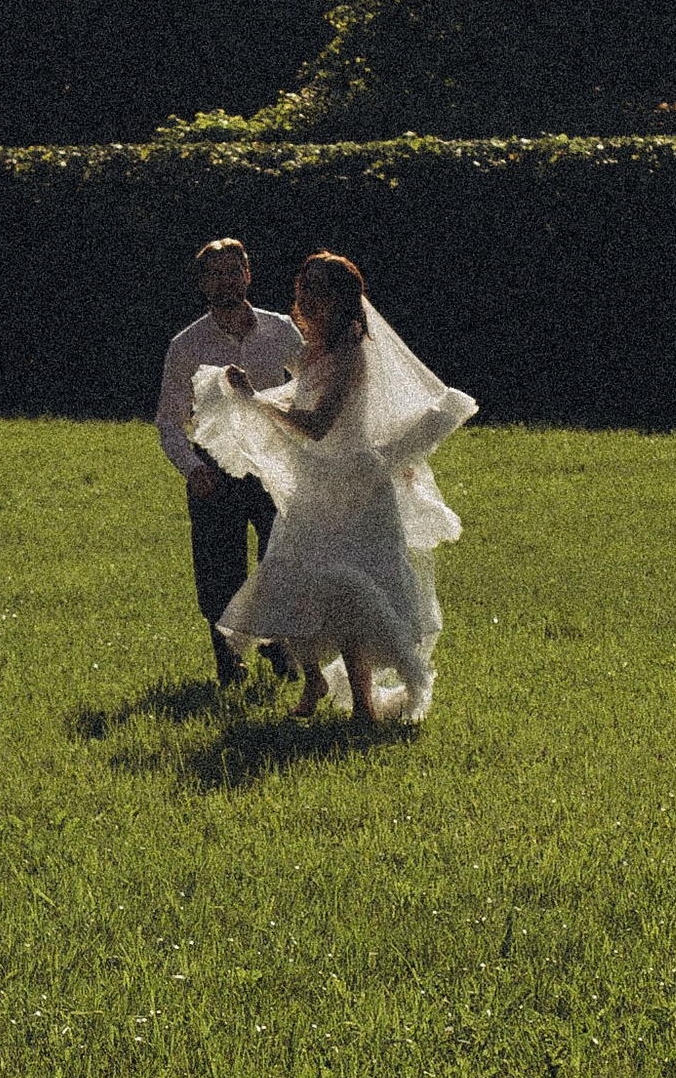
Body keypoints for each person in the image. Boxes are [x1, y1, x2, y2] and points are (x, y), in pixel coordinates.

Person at [188, 249, 476, 727]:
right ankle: (313, 679)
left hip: (352, 486)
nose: (307, 298)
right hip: (314, 483)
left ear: (342, 300)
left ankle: (363, 702)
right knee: (292, 576)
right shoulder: (312, 350)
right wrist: (253, 395)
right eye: (305, 289)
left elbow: (319, 422)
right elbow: (304, 391)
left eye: (319, 291)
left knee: (347, 589)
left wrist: (255, 404)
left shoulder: (352, 353)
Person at [155, 236, 299, 683]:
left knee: (281, 560)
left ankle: (280, 646)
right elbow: (168, 420)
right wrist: (193, 468)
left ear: (248, 275)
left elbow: (312, 388)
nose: (225, 281)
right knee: (219, 570)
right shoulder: (187, 345)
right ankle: (228, 659)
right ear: (202, 284)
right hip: (214, 471)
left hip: (275, 465)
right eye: (215, 274)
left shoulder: (281, 331)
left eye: (233, 271)